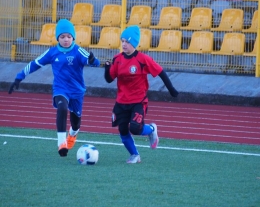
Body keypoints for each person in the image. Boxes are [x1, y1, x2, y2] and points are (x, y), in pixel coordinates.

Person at [8, 19, 100, 157]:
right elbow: (35, 64)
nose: (66, 40)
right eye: (62, 37)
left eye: (69, 36)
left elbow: (94, 62)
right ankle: (61, 143)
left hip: (77, 91)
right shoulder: (52, 52)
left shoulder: (78, 51)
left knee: (75, 124)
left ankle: (73, 134)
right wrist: (19, 77)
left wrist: (93, 60)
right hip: (60, 89)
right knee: (62, 107)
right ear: (58, 38)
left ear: (73, 37)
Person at [104, 25, 179, 164]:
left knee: (135, 128)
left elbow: (160, 71)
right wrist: (107, 68)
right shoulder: (117, 59)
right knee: (123, 130)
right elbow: (109, 79)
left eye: (127, 41)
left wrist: (171, 89)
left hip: (138, 101)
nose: (124, 44)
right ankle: (135, 155)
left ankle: (151, 129)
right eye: (122, 41)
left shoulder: (142, 59)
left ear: (134, 43)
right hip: (121, 102)